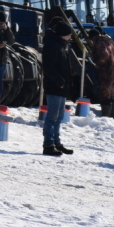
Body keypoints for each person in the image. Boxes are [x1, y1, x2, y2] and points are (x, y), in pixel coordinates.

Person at [41, 22, 77, 157]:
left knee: (59, 117)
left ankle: (56, 142)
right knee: (52, 116)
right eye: (69, 34)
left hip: (61, 87)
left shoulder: (61, 45)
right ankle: (48, 144)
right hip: (55, 87)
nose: (71, 36)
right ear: (63, 34)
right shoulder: (52, 45)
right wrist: (59, 81)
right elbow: (49, 67)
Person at [86, 28, 114, 120]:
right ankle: (113, 116)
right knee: (110, 94)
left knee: (104, 94)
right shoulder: (109, 41)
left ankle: (106, 117)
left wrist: (96, 62)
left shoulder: (100, 43)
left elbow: (104, 56)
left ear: (93, 37)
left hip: (106, 71)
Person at [0, 10, 16, 93]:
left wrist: (7, 30)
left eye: (2, 23)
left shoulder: (3, 29)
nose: (0, 25)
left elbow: (11, 41)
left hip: (2, 60)